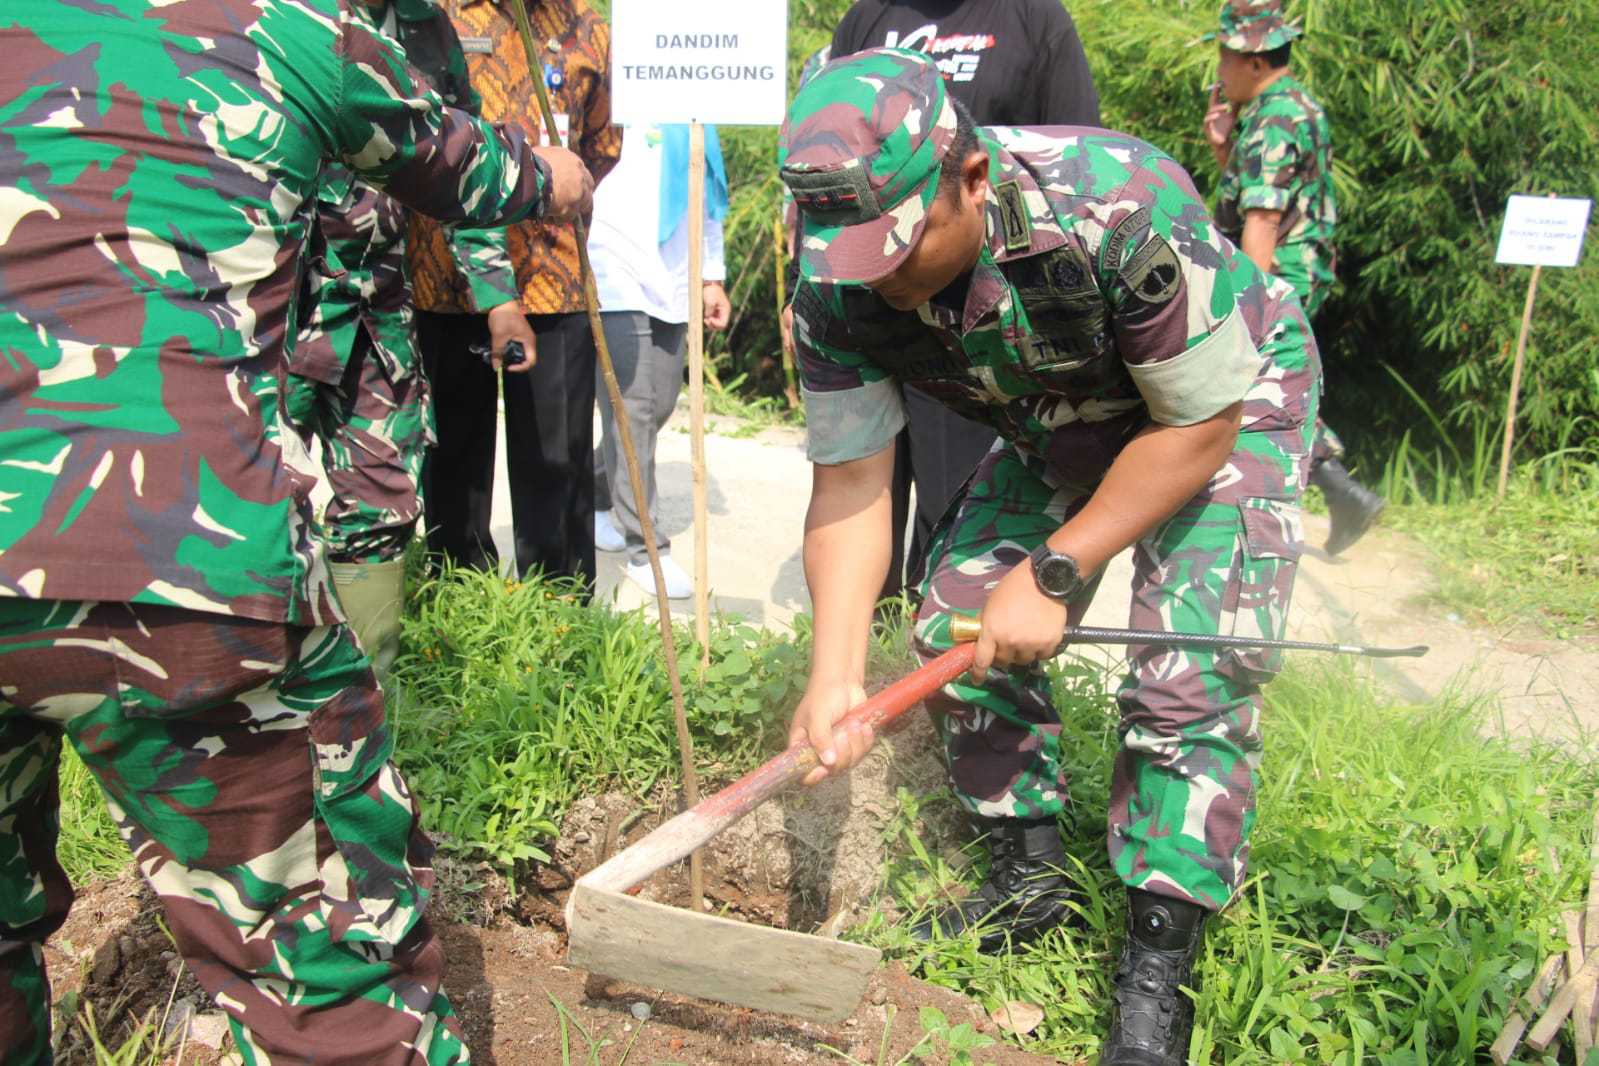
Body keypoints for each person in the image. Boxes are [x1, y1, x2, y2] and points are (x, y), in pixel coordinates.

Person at [0, 1, 592, 1061]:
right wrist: (558, 172)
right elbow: (462, 166)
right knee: (330, 982)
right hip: (176, 560)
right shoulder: (285, 24)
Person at [781, 50, 1319, 1062]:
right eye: (855, 255)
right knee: (954, 623)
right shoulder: (834, 286)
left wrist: (1060, 569)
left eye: (899, 243)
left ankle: (1159, 967)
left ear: (970, 181)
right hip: (1067, 420)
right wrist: (836, 678)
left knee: (1189, 671)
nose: (879, 279)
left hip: (1228, 398)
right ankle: (1028, 877)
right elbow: (852, 485)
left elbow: (1198, 425)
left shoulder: (1116, 202)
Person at [824, 0, 1102, 609]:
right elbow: (829, 158)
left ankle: (935, 633)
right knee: (870, 491)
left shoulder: (1031, 18)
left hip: (973, 309)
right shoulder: (868, 17)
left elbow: (1074, 149)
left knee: (955, 504)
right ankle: (876, 659)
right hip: (871, 296)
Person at [287, 0, 530, 681]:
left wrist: (496, 294)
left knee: (380, 500)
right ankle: (232, 716)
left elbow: (457, 155)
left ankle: (363, 706)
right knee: (249, 490)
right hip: (273, 304)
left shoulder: (425, 25)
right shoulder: (283, 14)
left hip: (375, 302)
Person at [408, 0, 621, 590]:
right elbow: (423, 151)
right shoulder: (434, 15)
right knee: (452, 472)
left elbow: (601, 147)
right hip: (444, 278)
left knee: (558, 475)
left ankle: (557, 635)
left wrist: (549, 210)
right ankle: (459, 622)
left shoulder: (588, 24)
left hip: (554, 280)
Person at [1201, 0, 1384, 555]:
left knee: (1264, 385)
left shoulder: (1276, 117)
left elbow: (1263, 217)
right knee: (1276, 383)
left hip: (1279, 271)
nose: (1220, 71)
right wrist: (1223, 147)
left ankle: (1327, 494)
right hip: (1299, 266)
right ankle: (1342, 494)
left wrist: (1251, 307)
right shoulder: (1290, 104)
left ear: (1255, 61)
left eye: (1226, 58)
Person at [589, 124, 733, 599]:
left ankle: (593, 492)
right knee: (632, 409)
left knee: (661, 402)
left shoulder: (696, 115)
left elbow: (707, 200)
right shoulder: (614, 95)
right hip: (610, 263)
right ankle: (645, 550)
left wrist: (712, 275)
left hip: (673, 270)